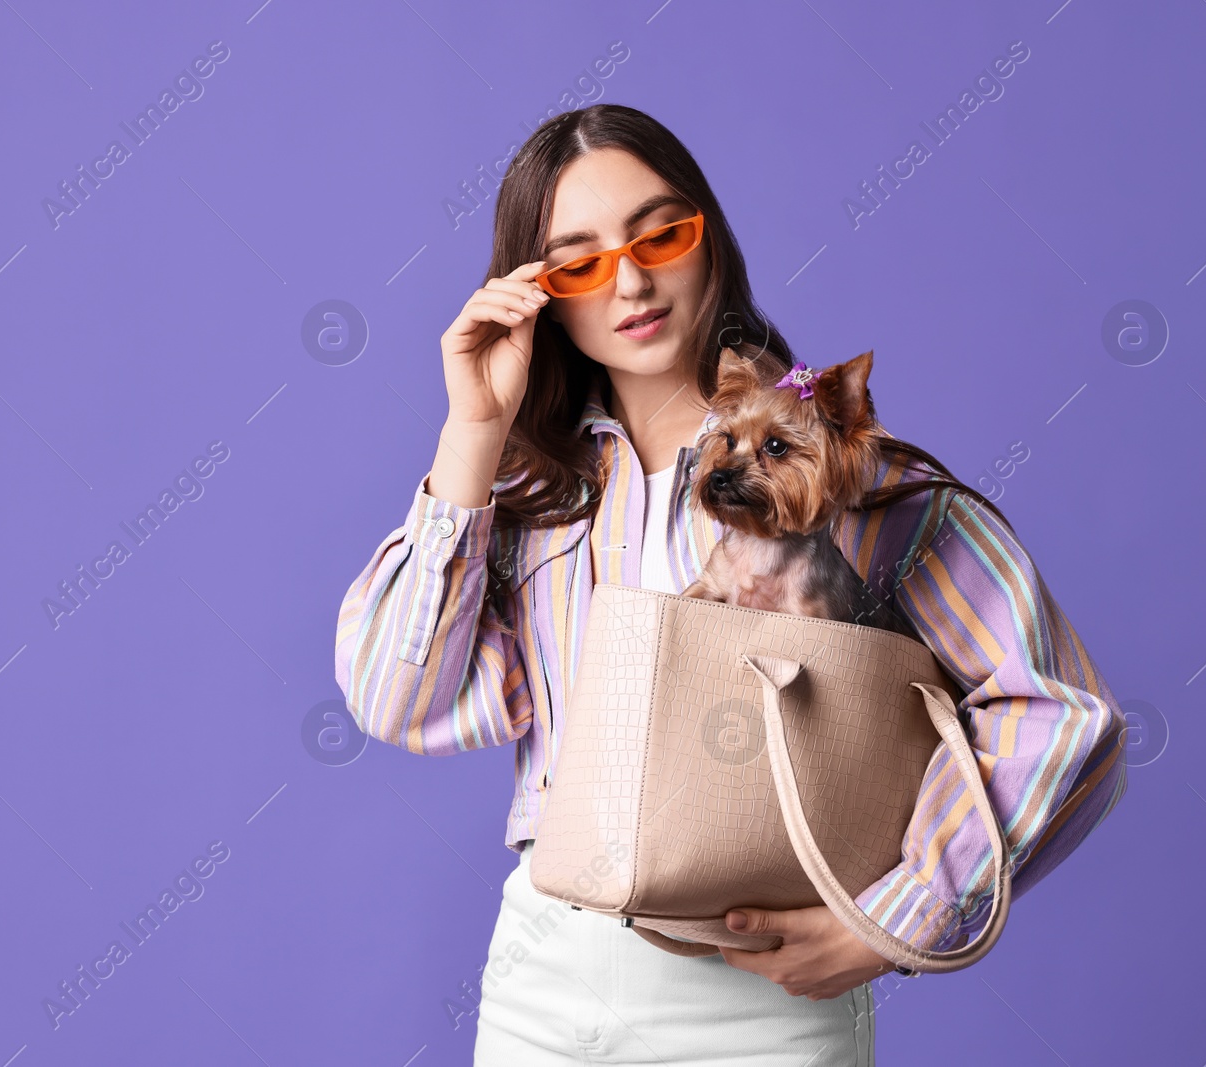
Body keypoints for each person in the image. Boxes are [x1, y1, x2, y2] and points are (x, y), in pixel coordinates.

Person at [334, 104, 1127, 1065]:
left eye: (661, 232)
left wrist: (898, 917)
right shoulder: (530, 500)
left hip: (758, 1001)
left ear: (710, 238)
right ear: (538, 292)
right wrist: (472, 434)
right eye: (578, 261)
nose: (630, 280)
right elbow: (393, 698)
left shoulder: (857, 483)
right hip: (544, 979)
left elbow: (1061, 715)